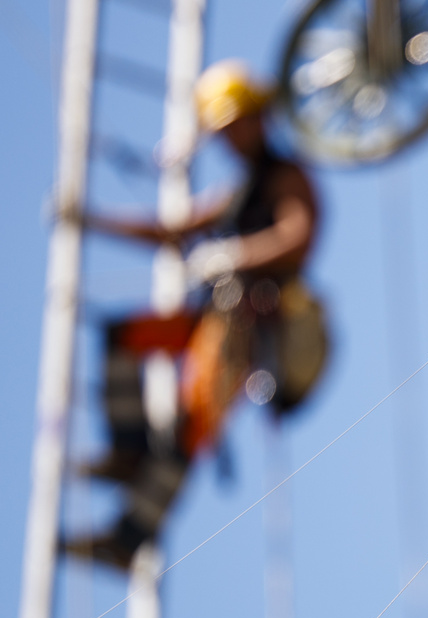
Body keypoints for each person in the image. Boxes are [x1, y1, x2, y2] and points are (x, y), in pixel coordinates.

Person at [64, 60, 328, 569]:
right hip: (214, 318)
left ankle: (126, 540)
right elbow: (173, 232)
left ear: (257, 118)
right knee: (123, 337)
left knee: (188, 427)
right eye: (222, 132)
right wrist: (90, 221)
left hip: (249, 329)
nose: (230, 140)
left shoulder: (286, 177)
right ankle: (128, 452)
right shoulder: (238, 194)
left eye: (235, 126)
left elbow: (297, 236)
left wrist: (234, 256)